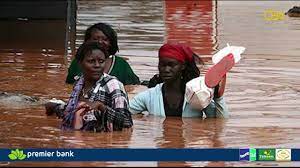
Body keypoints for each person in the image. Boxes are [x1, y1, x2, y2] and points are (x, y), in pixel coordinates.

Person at [129, 43, 229, 118]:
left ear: (183, 66)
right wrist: (144, 121)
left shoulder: (197, 94)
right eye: (162, 65)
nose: (166, 70)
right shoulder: (149, 96)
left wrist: (218, 98)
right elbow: (125, 113)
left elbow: (219, 122)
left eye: (171, 65)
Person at [62, 41, 133, 132]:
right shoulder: (79, 83)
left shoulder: (112, 84)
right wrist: (56, 107)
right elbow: (72, 112)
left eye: (101, 61)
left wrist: (101, 107)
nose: (97, 65)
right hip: (80, 139)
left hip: (103, 143)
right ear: (80, 63)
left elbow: (127, 122)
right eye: (91, 61)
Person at [66, 22, 140, 85]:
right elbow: (68, 86)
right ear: (87, 41)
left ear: (111, 42)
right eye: (95, 39)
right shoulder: (78, 61)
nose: (100, 42)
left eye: (105, 39)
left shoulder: (121, 65)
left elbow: (134, 87)